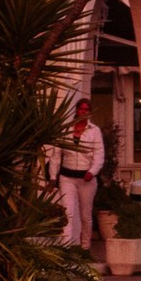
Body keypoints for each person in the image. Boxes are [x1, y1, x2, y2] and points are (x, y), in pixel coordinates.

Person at [56, 103, 103, 248]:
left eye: (86, 109)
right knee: (67, 212)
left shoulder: (94, 131)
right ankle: (66, 248)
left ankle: (85, 246)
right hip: (67, 177)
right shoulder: (66, 129)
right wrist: (52, 176)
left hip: (86, 178)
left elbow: (99, 155)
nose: (83, 112)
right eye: (81, 109)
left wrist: (92, 171)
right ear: (76, 110)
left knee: (85, 215)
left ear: (89, 112)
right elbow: (56, 155)